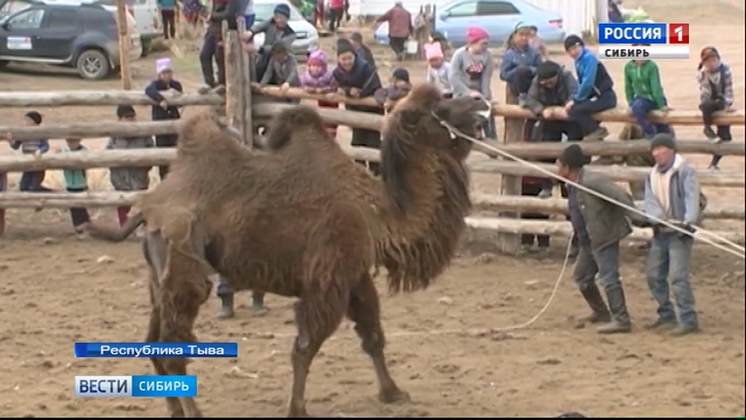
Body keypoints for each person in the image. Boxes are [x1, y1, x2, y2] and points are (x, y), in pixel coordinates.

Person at [558, 144, 639, 334]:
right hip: (589, 240)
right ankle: (602, 313)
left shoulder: (593, 181)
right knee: (582, 278)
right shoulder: (572, 184)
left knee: (608, 277)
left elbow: (621, 197)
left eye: (559, 164)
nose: (557, 168)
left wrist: (636, 217)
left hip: (604, 237)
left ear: (568, 168)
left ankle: (621, 320)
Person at [642, 133, 702, 336]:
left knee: (678, 277)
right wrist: (657, 218)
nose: (656, 154)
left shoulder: (684, 172)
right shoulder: (652, 175)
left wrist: (688, 221)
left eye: (661, 149)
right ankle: (666, 314)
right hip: (661, 232)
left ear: (671, 151)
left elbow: (691, 197)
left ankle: (688, 319)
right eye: (654, 150)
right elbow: (650, 201)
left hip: (679, 234)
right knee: (654, 276)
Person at [525, 60, 583, 198]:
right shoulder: (536, 81)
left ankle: (572, 186)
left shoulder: (567, 76)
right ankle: (546, 185)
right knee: (547, 149)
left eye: (550, 82)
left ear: (557, 76)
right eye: (544, 83)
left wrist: (569, 105)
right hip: (551, 119)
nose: (548, 85)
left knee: (573, 150)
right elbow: (531, 99)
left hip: (570, 119)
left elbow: (576, 92)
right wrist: (541, 110)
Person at [332, 38, 384, 174]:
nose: (347, 62)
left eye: (350, 58)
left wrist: (361, 94)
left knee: (373, 142)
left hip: (372, 111)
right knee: (357, 141)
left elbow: (375, 86)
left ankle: (376, 173)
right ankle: (359, 172)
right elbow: (337, 86)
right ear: (338, 59)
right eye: (344, 59)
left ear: (354, 56)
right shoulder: (337, 72)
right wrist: (348, 91)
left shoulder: (365, 67)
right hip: (354, 111)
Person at [106, 105, 155, 228]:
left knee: (140, 201)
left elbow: (152, 150)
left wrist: (145, 166)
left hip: (138, 175)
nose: (130, 120)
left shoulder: (144, 134)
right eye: (127, 117)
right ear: (120, 119)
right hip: (120, 176)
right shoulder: (115, 136)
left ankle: (142, 226)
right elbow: (107, 153)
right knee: (122, 202)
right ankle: (124, 227)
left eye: (132, 117)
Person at [563, 35, 616, 142]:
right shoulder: (579, 61)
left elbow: (588, 83)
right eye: (569, 51)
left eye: (574, 48)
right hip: (595, 96)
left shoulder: (589, 58)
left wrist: (576, 100)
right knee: (576, 113)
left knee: (576, 110)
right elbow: (581, 83)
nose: (573, 52)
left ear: (581, 46)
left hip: (604, 96)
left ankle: (597, 130)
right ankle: (596, 142)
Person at [448, 26, 495, 138]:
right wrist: (467, 92)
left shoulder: (487, 56)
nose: (485, 46)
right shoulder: (460, 55)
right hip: (462, 92)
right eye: (482, 43)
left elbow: (486, 77)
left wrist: (486, 96)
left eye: (486, 44)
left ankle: (492, 141)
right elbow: (453, 76)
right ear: (472, 43)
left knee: (488, 112)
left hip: (479, 92)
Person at [697, 46, 735, 170]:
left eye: (714, 60)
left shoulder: (725, 70)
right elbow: (704, 92)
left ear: (718, 59)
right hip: (710, 105)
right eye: (708, 61)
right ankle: (707, 128)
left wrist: (727, 105)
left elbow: (728, 89)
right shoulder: (703, 74)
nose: (711, 63)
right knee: (706, 106)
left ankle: (713, 164)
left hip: (722, 103)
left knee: (725, 137)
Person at [145, 58, 183, 180]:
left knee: (176, 149)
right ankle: (164, 179)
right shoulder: (155, 85)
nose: (167, 75)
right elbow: (148, 90)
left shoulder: (175, 84)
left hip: (174, 121)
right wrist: (160, 99)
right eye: (164, 73)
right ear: (159, 74)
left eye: (169, 72)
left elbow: (180, 96)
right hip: (160, 123)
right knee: (162, 152)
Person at [624, 47, 671, 138]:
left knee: (662, 125)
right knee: (637, 107)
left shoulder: (651, 66)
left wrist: (661, 105)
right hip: (640, 100)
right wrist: (630, 103)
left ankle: (666, 138)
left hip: (654, 98)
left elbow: (656, 86)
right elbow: (628, 86)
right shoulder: (628, 67)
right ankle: (650, 132)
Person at [242, 4, 296, 82]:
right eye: (276, 17)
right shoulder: (271, 23)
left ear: (287, 19)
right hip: (264, 60)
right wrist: (251, 32)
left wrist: (258, 49)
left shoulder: (290, 35)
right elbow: (260, 26)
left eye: (281, 17)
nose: (278, 20)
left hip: (277, 62)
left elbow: (276, 48)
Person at [499, 22, 543, 106]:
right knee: (514, 116)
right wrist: (517, 71)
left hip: (532, 88)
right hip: (514, 89)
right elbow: (503, 75)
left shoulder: (534, 53)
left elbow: (540, 69)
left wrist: (528, 70)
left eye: (527, 35)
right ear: (514, 36)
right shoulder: (509, 54)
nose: (524, 38)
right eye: (521, 35)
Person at [199, 0, 240, 89]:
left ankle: (222, 83)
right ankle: (209, 82)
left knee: (220, 57)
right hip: (212, 29)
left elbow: (229, 14)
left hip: (224, 29)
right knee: (204, 55)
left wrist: (212, 16)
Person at [9, 111, 52, 193]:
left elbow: (45, 146)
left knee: (34, 187)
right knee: (23, 187)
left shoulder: (39, 134)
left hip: (37, 164)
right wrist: (10, 140)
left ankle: (52, 195)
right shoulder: (22, 134)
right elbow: (16, 146)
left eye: (27, 121)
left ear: (34, 123)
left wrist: (39, 151)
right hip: (27, 164)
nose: (23, 123)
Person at [300, 48, 339, 138]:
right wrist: (308, 89)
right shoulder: (307, 76)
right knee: (322, 119)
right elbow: (302, 84)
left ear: (323, 66)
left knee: (333, 120)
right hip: (321, 102)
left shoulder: (329, 75)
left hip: (332, 100)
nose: (315, 69)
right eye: (312, 66)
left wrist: (322, 90)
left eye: (318, 66)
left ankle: (332, 137)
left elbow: (334, 86)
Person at [59, 138, 90, 238]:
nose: (71, 144)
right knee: (73, 208)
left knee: (81, 208)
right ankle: (78, 228)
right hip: (69, 184)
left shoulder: (84, 151)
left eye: (73, 141)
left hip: (80, 184)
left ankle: (86, 227)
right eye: (69, 141)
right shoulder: (64, 151)